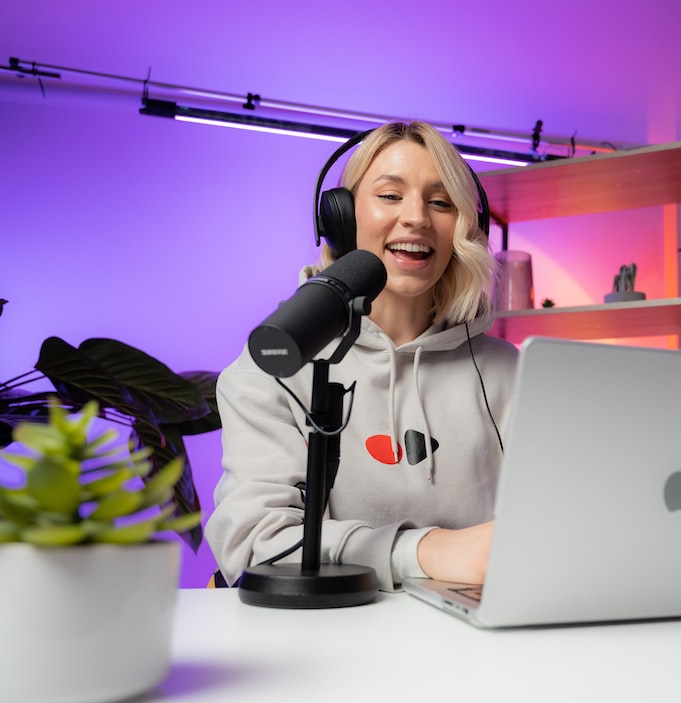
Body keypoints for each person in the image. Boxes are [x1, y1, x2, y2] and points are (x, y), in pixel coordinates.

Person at [206, 121, 519, 592]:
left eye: (440, 202)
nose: (416, 217)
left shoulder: (511, 372)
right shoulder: (270, 367)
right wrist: (424, 550)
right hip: (333, 640)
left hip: (483, 639)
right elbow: (255, 545)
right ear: (341, 219)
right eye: (390, 196)